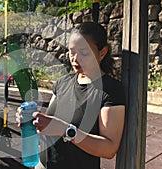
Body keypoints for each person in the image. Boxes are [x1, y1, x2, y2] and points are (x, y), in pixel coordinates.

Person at [16, 22, 125, 169]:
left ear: (102, 52)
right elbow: (49, 127)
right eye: (72, 51)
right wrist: (34, 121)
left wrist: (66, 130)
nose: (75, 58)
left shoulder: (110, 90)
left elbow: (109, 148)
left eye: (84, 52)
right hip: (42, 164)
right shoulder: (62, 82)